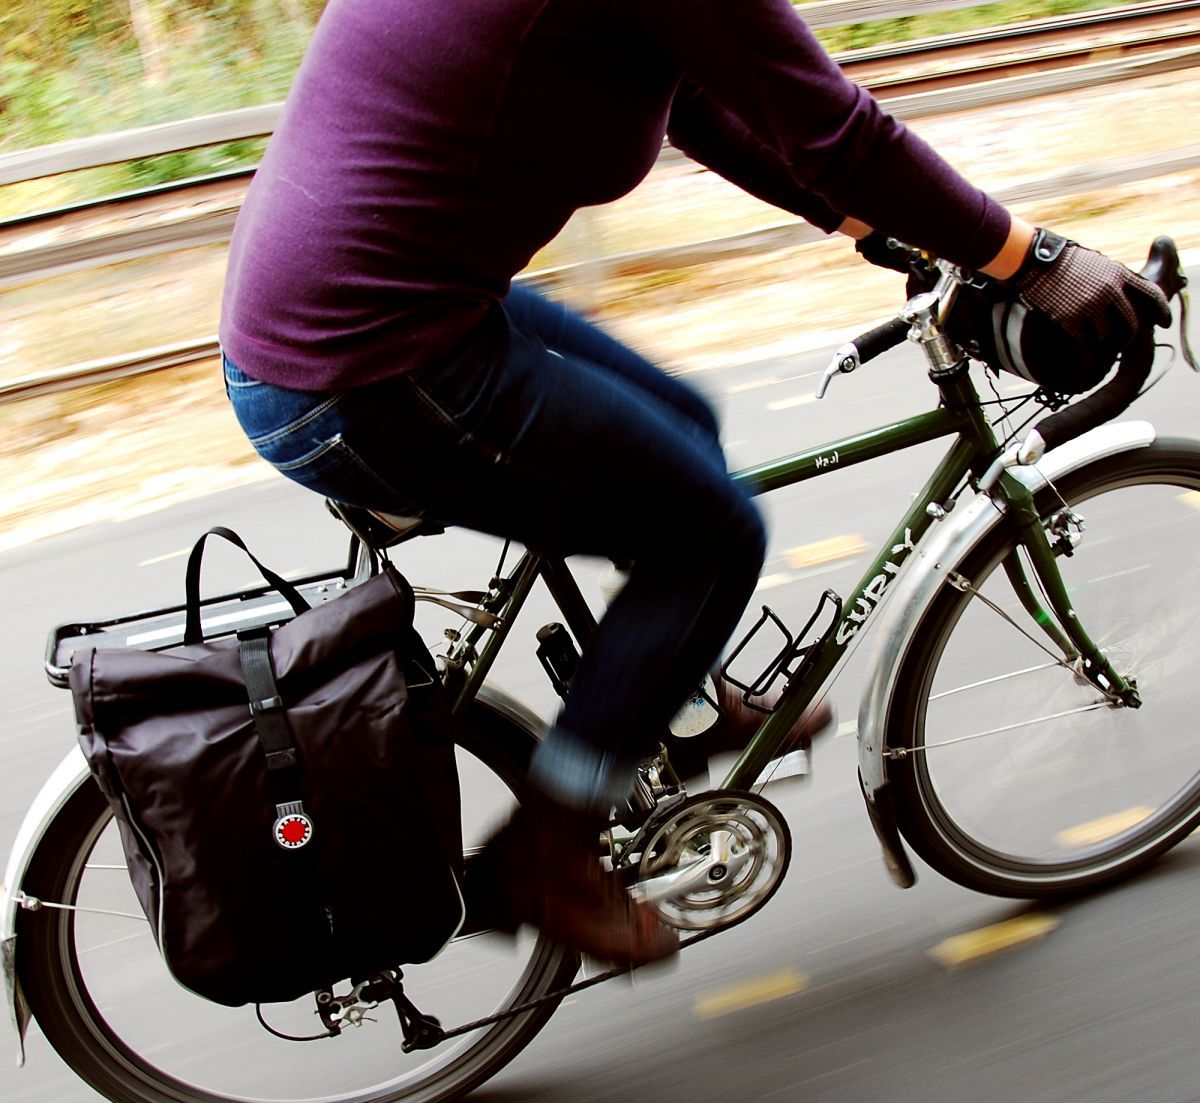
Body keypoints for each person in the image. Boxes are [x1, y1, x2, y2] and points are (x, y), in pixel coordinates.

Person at [219, 0, 1168, 966]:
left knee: (686, 430)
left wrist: (859, 222)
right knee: (712, 538)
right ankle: (549, 851)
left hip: (352, 323)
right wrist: (1031, 257)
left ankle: (681, 701)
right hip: (368, 370)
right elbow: (837, 130)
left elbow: (706, 104)